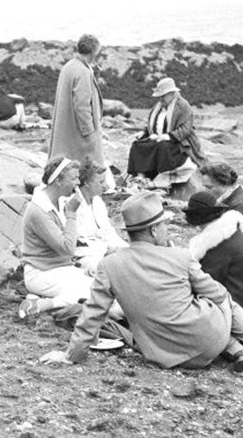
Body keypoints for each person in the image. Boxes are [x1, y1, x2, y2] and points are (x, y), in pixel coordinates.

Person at [40, 192, 243, 371]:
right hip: (210, 342)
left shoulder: (109, 265)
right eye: (164, 225)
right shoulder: (180, 257)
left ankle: (242, 353)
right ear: (153, 230)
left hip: (166, 355)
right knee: (222, 298)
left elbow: (93, 314)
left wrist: (70, 355)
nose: (167, 229)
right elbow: (217, 295)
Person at [18, 157, 93, 321]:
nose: (78, 182)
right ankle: (42, 305)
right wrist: (71, 213)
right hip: (41, 273)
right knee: (92, 293)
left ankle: (40, 301)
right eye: (74, 178)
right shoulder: (39, 210)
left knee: (103, 285)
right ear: (58, 181)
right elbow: (67, 249)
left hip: (59, 268)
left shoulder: (58, 201)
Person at [185, 191, 243, 335]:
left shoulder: (217, 247)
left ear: (196, 217)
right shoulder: (232, 234)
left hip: (241, 324)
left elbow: (201, 284)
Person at [49, 34, 116, 193]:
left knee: (67, 158)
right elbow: (82, 106)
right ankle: (90, 189)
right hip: (77, 130)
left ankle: (68, 186)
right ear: (94, 52)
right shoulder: (82, 71)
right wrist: (89, 132)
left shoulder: (69, 66)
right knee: (88, 161)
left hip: (66, 126)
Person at [127, 77, 204, 189]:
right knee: (137, 145)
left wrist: (168, 136)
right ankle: (141, 176)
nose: (161, 98)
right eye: (160, 96)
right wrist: (144, 133)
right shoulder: (158, 106)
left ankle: (163, 178)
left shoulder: (183, 106)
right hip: (158, 138)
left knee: (164, 147)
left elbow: (186, 129)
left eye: (163, 96)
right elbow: (152, 124)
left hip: (177, 141)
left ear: (172, 93)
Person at [61, 157, 128, 275]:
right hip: (84, 255)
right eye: (101, 182)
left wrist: (122, 248)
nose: (105, 186)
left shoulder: (97, 202)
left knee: (132, 258)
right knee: (111, 270)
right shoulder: (71, 203)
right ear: (86, 183)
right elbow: (79, 241)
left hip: (103, 250)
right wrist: (105, 251)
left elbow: (108, 232)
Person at [200, 162, 243, 267]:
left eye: (209, 187)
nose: (206, 191)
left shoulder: (239, 205)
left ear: (224, 183)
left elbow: (230, 244)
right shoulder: (229, 197)